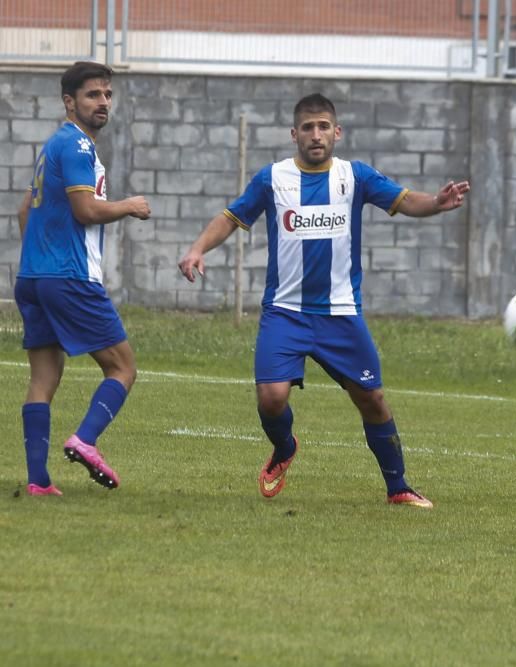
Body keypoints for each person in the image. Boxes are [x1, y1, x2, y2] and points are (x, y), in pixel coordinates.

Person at [178, 93, 470, 508]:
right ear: (294, 134)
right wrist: (197, 249)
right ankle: (284, 448)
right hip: (285, 310)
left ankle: (398, 486)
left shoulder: (356, 177)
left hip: (340, 313)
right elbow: (232, 216)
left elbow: (404, 200)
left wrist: (436, 204)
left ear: (337, 132)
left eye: (323, 127)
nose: (316, 135)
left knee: (371, 399)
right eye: (308, 128)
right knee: (272, 397)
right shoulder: (272, 179)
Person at [15, 61, 152, 495]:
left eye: (107, 95)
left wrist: (42, 256)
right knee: (123, 367)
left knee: (43, 379)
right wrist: (129, 205)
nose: (103, 103)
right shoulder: (76, 147)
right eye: (93, 95)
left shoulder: (53, 145)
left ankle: (38, 482)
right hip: (69, 278)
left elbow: (24, 211)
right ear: (69, 102)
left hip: (33, 278)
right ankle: (86, 439)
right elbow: (86, 210)